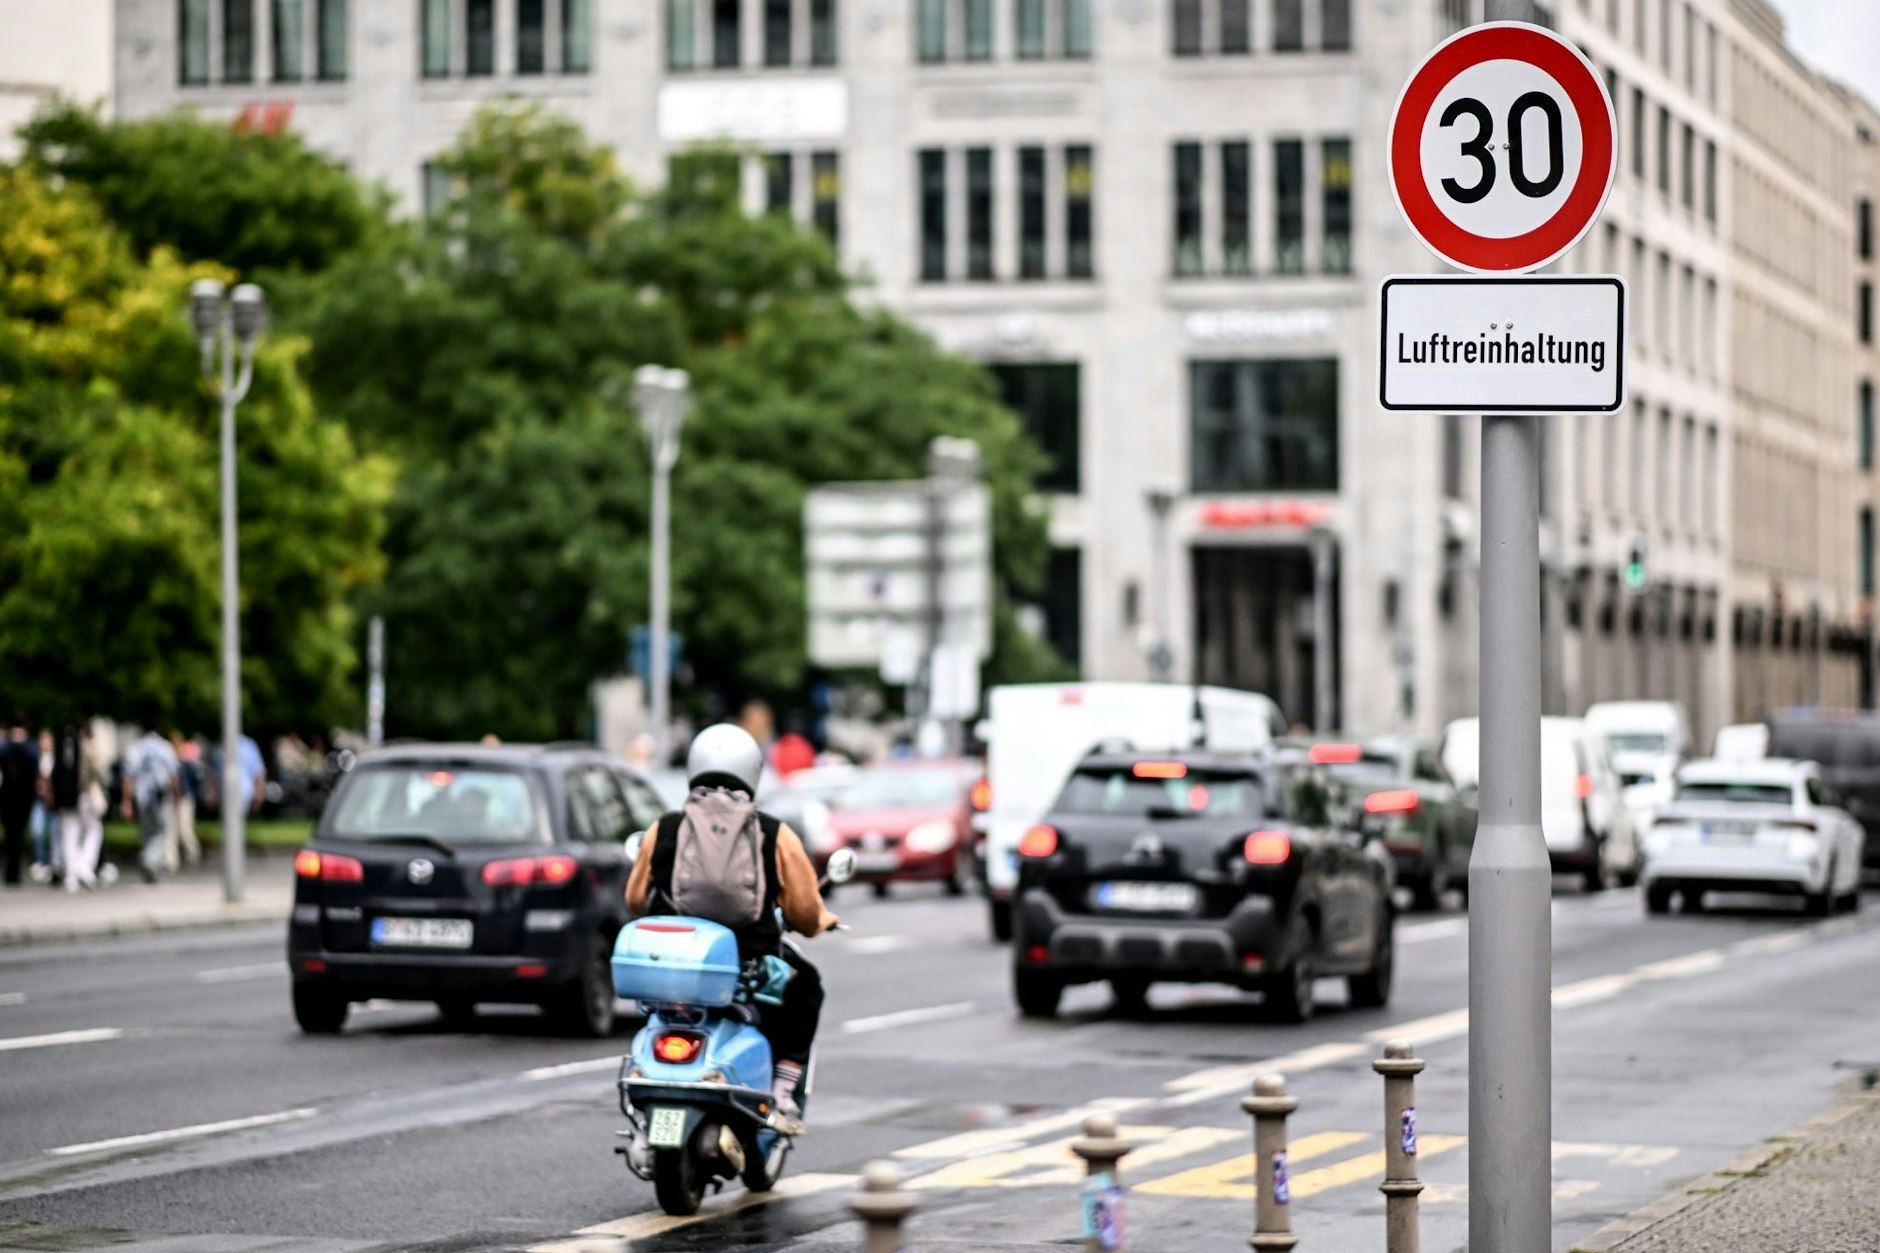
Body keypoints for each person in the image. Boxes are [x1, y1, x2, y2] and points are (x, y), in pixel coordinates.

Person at [625, 724, 838, 1135]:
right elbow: (805, 913)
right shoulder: (774, 833)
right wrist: (818, 921)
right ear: (753, 771)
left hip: (671, 964)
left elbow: (635, 900)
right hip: (749, 969)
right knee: (807, 986)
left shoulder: (663, 828)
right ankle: (781, 1090)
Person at [51, 722, 104, 893]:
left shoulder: (62, 745)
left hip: (67, 797)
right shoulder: (85, 747)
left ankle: (71, 875)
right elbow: (96, 770)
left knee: (69, 835)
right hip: (84, 794)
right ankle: (83, 865)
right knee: (94, 830)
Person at [123, 727, 180, 884]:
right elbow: (173, 776)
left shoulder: (135, 749)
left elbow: (128, 777)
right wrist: (177, 797)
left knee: (147, 831)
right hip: (160, 796)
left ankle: (149, 860)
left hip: (142, 796)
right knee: (161, 832)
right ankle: (150, 860)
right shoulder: (165, 748)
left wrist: (126, 801)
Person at [0, 721, 40, 886]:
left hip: (19, 799)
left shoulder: (20, 750)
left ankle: (13, 872)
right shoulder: (16, 750)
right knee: (12, 836)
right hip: (12, 799)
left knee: (15, 836)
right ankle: (12, 872)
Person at [169, 735, 204, 871]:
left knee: (185, 829)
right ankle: (171, 859)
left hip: (184, 799)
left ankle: (192, 853)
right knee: (171, 830)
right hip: (173, 800)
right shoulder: (171, 763)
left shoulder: (186, 764)